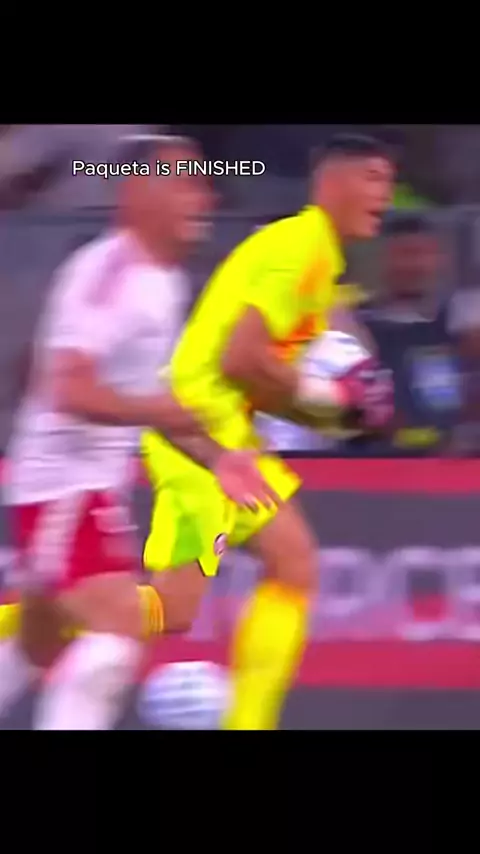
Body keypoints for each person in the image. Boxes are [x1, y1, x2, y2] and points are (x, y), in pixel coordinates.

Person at [0, 134, 277, 730]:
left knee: (37, 644)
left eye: (203, 184)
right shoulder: (111, 275)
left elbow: (155, 404)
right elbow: (68, 389)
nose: (203, 197)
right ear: (136, 191)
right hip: (65, 487)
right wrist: (161, 411)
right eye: (184, 182)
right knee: (116, 637)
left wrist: (219, 457)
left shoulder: (162, 281)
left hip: (86, 487)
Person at [139, 133, 395, 730]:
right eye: (372, 178)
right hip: (200, 434)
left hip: (225, 431)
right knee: (174, 607)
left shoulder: (320, 261)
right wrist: (332, 399)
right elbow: (241, 359)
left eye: (388, 181)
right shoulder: (299, 247)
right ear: (330, 182)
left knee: (288, 565)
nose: (384, 195)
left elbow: (263, 380)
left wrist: (342, 417)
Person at [360, 215, 461, 454]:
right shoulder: (357, 327)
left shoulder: (458, 327)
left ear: (440, 260)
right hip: (375, 463)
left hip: (455, 464)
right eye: (404, 254)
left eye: (423, 254)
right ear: (384, 260)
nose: (415, 265)